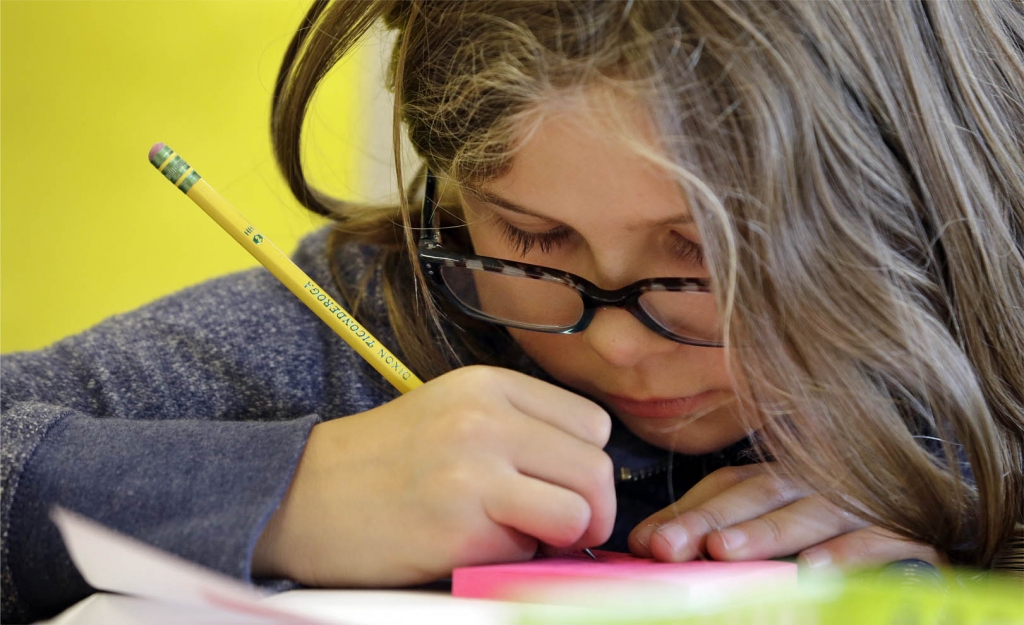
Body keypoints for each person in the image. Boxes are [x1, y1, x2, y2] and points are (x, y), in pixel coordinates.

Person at [3, 0, 1022, 621]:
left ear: (919, 207)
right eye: (532, 241)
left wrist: (969, 519)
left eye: (704, 260)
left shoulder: (986, 356)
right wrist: (288, 496)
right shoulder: (362, 331)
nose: (619, 340)